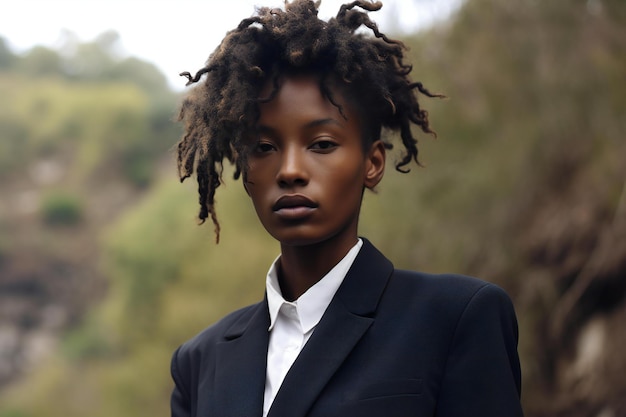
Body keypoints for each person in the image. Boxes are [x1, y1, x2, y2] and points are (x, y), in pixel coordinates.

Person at [170, 1, 523, 416]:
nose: (290, 171)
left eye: (321, 144)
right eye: (263, 148)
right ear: (246, 171)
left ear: (372, 163)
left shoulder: (455, 319)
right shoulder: (199, 361)